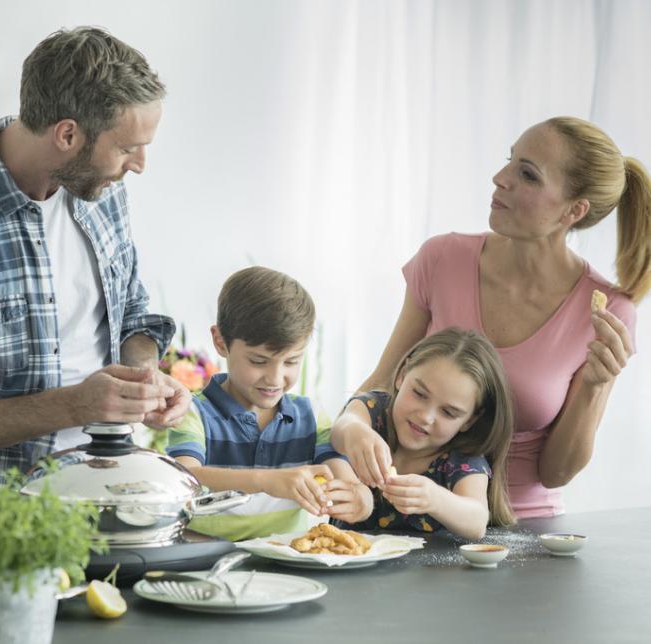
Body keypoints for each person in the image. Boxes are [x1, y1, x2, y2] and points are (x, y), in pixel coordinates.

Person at [0, 27, 191, 485]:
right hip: (0, 514)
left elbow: (134, 316)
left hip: (109, 488)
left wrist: (142, 378)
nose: (139, 164)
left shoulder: (102, 192)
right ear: (67, 134)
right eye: (126, 147)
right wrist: (75, 404)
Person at [332, 116, 650, 518]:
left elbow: (556, 473)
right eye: (509, 160)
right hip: (404, 514)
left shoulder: (607, 310)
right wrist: (352, 434)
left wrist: (596, 385)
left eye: (528, 175)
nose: (500, 178)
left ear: (574, 210)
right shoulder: (442, 259)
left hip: (523, 525)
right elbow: (382, 382)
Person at [166, 267, 373, 540]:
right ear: (220, 342)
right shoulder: (193, 413)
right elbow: (183, 479)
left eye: (291, 361)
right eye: (258, 361)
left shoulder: (310, 416)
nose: (275, 378)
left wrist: (361, 500)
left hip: (292, 563)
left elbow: (349, 484)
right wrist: (266, 481)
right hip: (207, 561)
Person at [333, 328, 514, 540]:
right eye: (419, 394)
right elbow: (343, 426)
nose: (426, 417)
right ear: (402, 375)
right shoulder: (374, 411)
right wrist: (356, 431)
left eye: (448, 412)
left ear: (470, 421)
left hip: (427, 573)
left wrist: (435, 498)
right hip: (345, 564)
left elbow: (477, 522)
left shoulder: (462, 458)